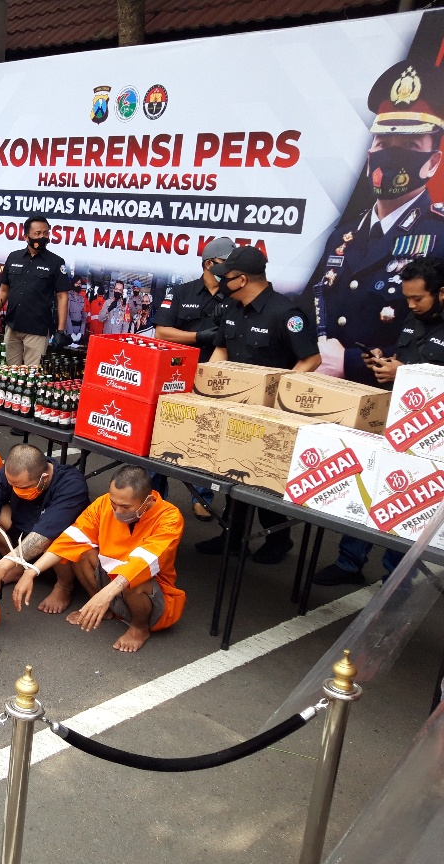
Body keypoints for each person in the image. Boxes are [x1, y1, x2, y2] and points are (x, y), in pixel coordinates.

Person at [302, 60, 444, 383]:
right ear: (370, 154)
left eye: (409, 145)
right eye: (383, 144)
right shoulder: (343, 235)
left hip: (390, 394)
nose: (391, 155)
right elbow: (316, 306)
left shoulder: (438, 235)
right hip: (321, 385)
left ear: (433, 162)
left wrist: (352, 362)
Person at [315, 255, 444, 586]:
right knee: (370, 487)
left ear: (441, 292)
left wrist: (405, 373)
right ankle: (349, 562)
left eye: (418, 298)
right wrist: (384, 359)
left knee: (407, 501)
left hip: (430, 437)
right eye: (407, 298)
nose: (410, 305)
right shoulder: (415, 318)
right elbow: (406, 353)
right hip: (392, 418)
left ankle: (397, 578)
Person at [197, 245, 321, 564]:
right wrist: (207, 385)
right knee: (232, 473)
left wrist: (279, 393)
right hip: (233, 406)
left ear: (241, 280)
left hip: (270, 414)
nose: (220, 281)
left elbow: (311, 359)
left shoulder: (285, 313)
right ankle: (233, 537)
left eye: (225, 277)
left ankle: (278, 539)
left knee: (264, 481)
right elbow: (221, 350)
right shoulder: (232, 308)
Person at [12, 466, 184, 653]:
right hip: (110, 582)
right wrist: (32, 571)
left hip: (147, 595)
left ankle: (139, 629)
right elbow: (71, 539)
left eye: (125, 507)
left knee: (135, 579)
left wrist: (106, 595)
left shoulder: (170, 517)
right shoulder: (103, 503)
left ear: (148, 501)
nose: (117, 511)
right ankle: (102, 610)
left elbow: (142, 564)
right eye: (113, 503)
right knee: (79, 551)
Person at [154, 237, 237, 520]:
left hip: (216, 375)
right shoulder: (182, 292)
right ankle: (155, 496)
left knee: (206, 436)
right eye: (225, 264)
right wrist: (199, 337)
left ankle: (202, 497)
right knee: (163, 434)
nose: (229, 270)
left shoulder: (235, 296)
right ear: (209, 263)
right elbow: (162, 332)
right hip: (175, 373)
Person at [0, 444, 91, 605]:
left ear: (44, 477)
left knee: (60, 536)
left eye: (22, 487)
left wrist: (3, 565)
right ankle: (17, 568)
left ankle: (64, 585)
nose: (16, 490)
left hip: (53, 544)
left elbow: (45, 534)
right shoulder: (12, 472)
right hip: (24, 530)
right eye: (12, 485)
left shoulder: (72, 485)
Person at [0, 215, 72, 366]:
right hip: (12, 327)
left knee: (31, 376)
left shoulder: (56, 262)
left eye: (45, 233)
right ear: (26, 236)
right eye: (37, 233)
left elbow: (62, 297)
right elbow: (3, 291)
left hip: (37, 330)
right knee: (8, 373)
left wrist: (61, 331)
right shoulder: (14, 257)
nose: (42, 237)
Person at [65, 279, 87, 344]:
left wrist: (81, 332)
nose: (78, 285)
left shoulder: (82, 298)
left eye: (79, 283)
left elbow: (84, 316)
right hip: (69, 329)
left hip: (78, 330)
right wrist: (70, 332)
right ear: (73, 284)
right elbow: (66, 314)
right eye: (76, 283)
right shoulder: (68, 296)